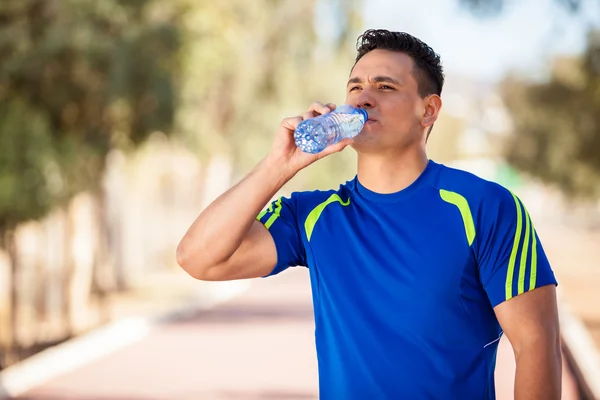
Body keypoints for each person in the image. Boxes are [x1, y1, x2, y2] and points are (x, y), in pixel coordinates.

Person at [176, 29, 561, 399]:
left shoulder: (484, 206)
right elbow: (198, 259)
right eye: (355, 86)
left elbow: (535, 345)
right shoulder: (313, 216)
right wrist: (279, 165)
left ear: (428, 110)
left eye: (385, 86)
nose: (363, 98)